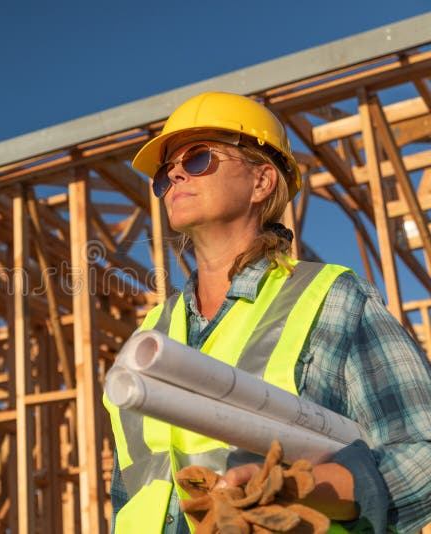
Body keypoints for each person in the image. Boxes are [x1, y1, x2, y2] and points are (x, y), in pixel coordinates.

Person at [103, 91, 431, 533]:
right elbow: (131, 496)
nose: (175, 173)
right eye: (166, 172)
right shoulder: (148, 341)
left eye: (198, 158)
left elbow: (423, 454)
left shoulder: (331, 300)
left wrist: (304, 489)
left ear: (262, 182)